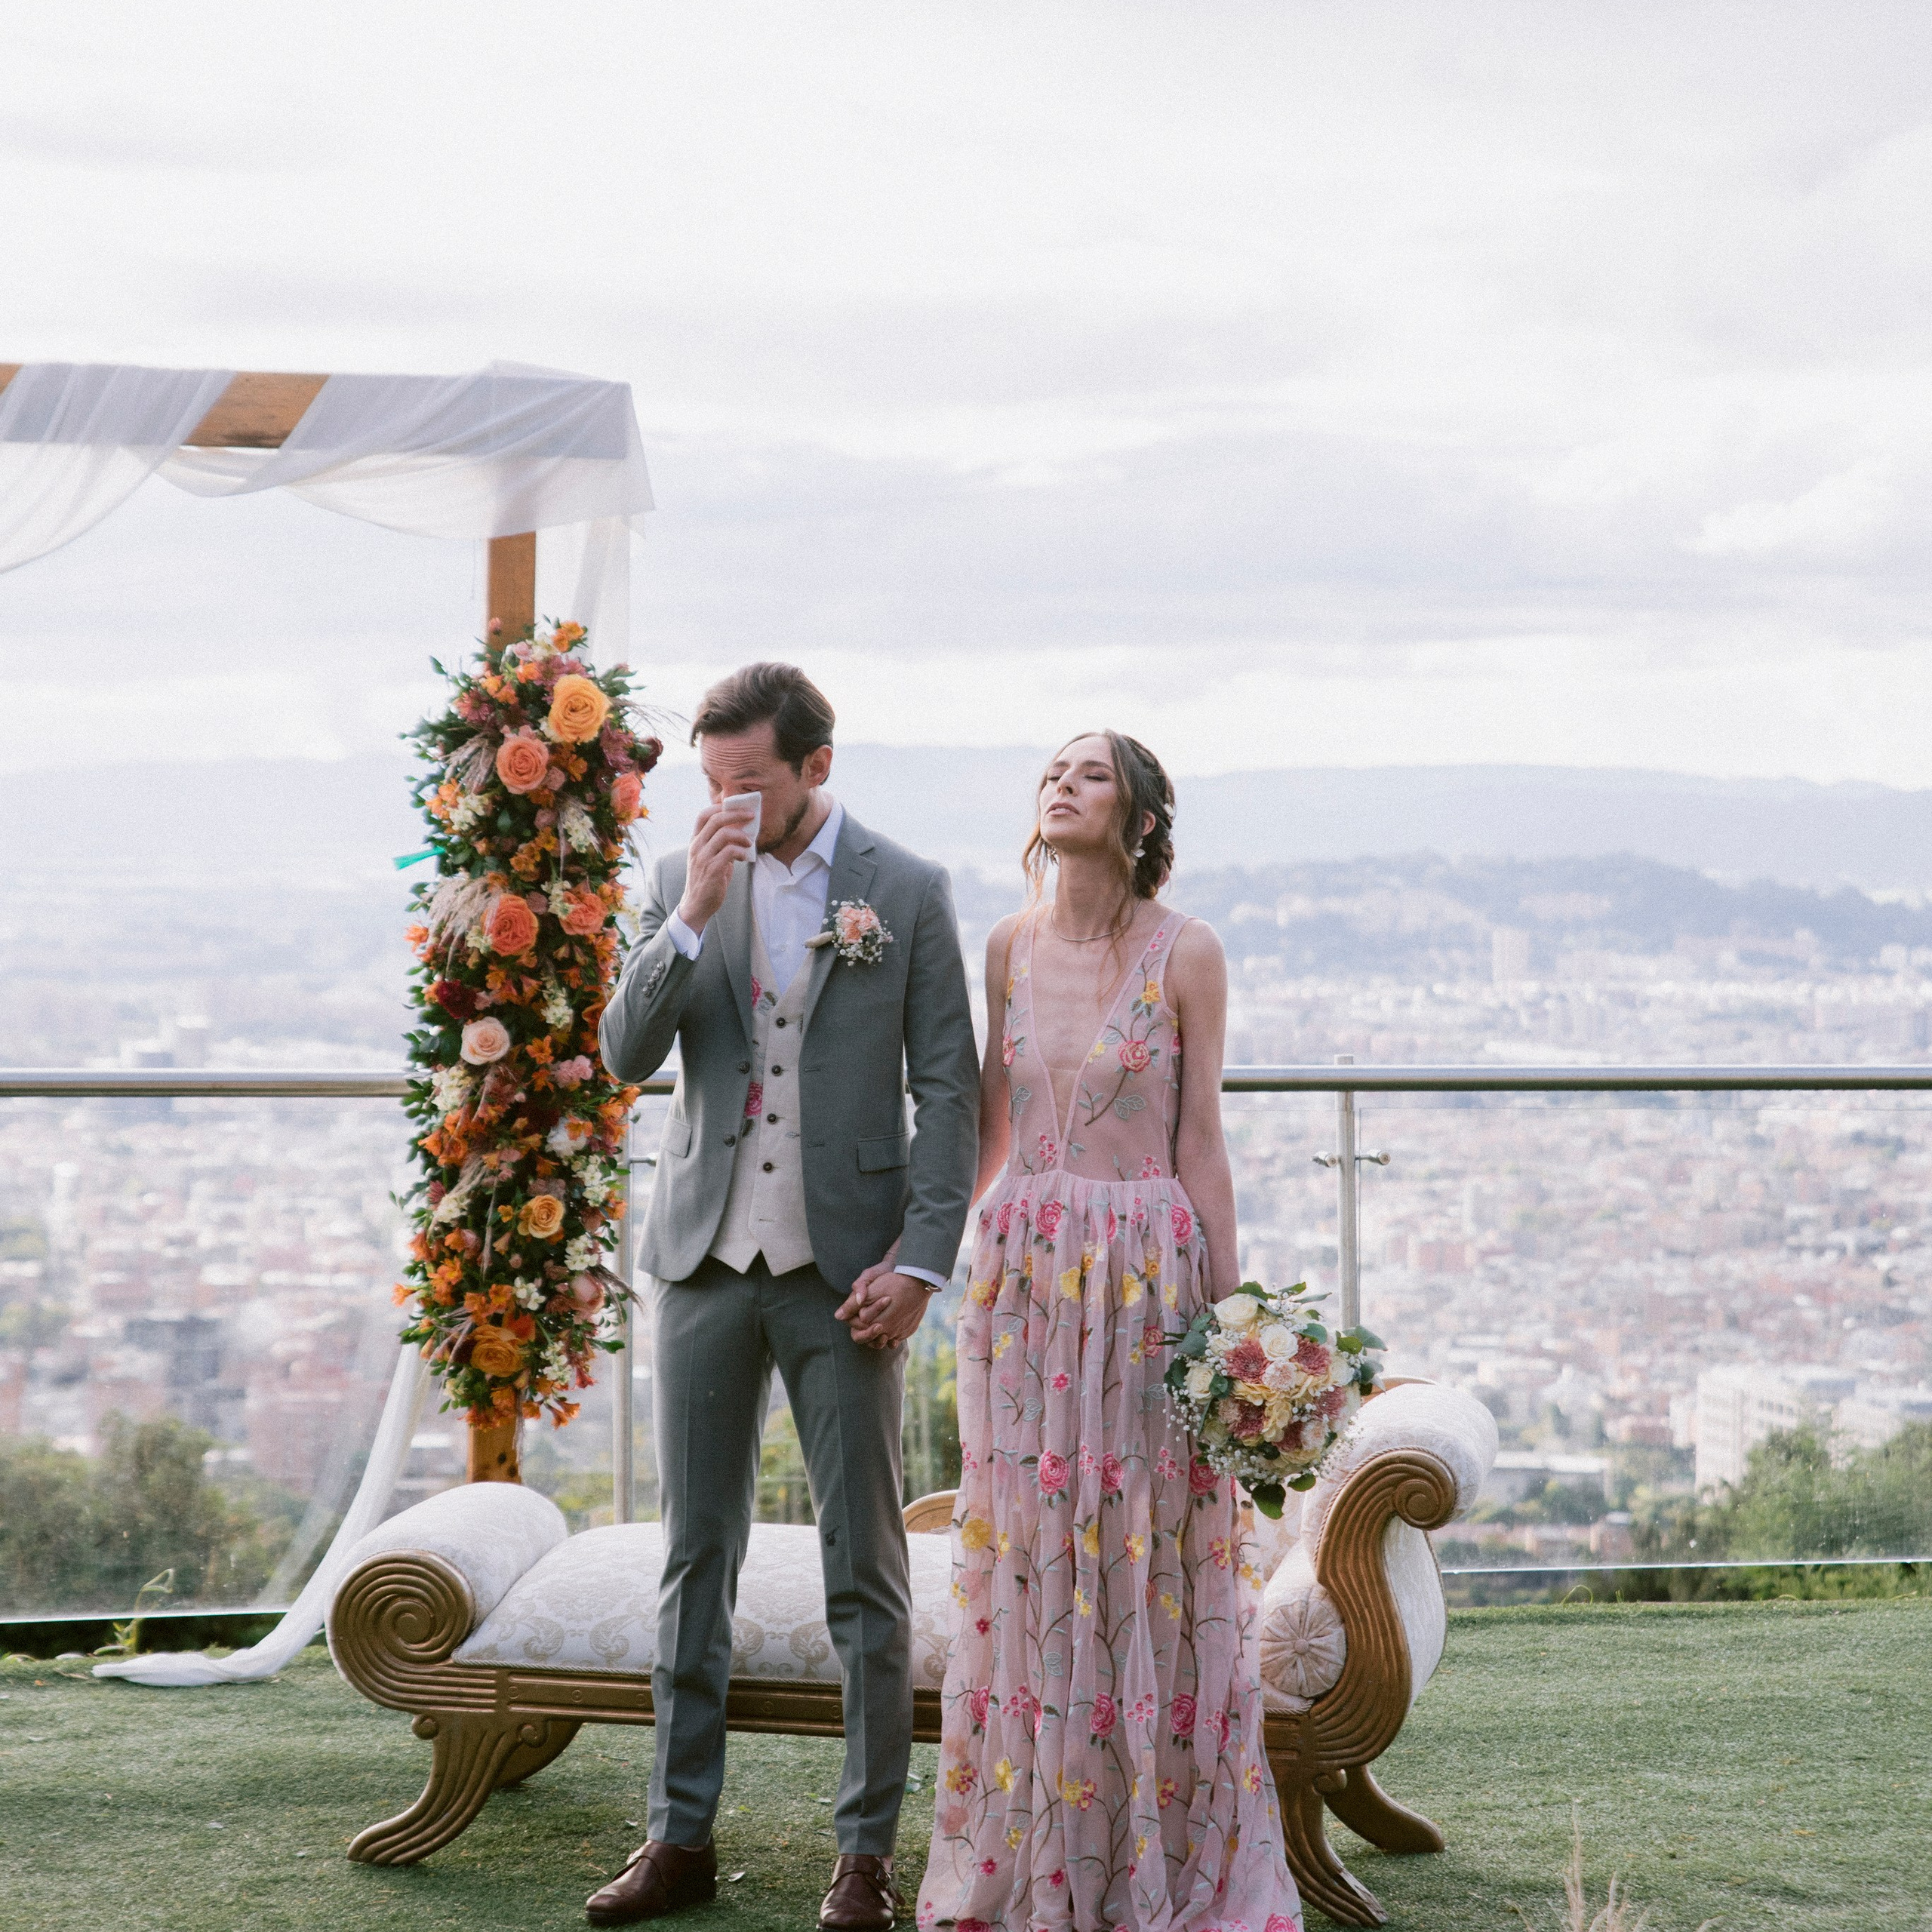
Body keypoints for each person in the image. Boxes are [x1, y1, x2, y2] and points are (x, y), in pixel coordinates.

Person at [594, 663, 980, 1930]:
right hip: (706, 1254)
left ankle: (865, 1857)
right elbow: (625, 1052)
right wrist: (694, 909)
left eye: (745, 783)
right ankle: (676, 1838)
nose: (724, 805)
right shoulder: (677, 880)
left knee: (863, 1566)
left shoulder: (908, 892)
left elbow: (950, 1095)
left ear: (816, 765)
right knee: (691, 1556)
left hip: (848, 1273)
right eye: (710, 785)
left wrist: (921, 1262)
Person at [918, 732, 1302, 1932]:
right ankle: (1038, 1853)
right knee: (1029, 1548)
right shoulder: (1003, 946)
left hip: (1148, 1285)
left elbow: (1202, 1142)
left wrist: (1241, 1341)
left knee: (1146, 1551)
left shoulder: (1190, 951)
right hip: (1023, 1284)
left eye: (1093, 773)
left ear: (1139, 819)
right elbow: (989, 1122)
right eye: (1055, 771)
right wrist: (919, 1252)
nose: (1063, 783)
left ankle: (1157, 1855)